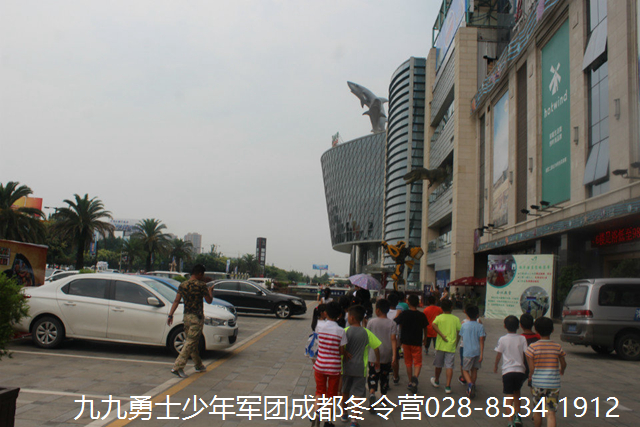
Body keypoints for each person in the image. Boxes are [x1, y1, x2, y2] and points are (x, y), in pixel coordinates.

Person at [168, 264, 213, 378]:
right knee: (190, 342)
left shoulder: (183, 284)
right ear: (199, 273)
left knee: (193, 342)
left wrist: (170, 315)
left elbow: (176, 300)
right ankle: (178, 367)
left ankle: (198, 365)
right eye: (202, 274)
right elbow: (209, 300)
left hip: (186, 317)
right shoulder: (201, 285)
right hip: (196, 318)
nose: (203, 277)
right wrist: (210, 291)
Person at [342, 305, 380, 427]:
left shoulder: (345, 331)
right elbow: (376, 347)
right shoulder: (366, 332)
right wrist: (377, 360)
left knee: (345, 391)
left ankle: (344, 414)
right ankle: (354, 420)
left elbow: (340, 347)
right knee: (358, 393)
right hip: (360, 368)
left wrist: (344, 353)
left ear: (352, 318)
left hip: (346, 367)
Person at [526, 317, 567, 427]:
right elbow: (563, 363)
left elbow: (532, 368)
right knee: (551, 412)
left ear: (536, 330)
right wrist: (562, 370)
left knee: (537, 410)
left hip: (537, 383)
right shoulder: (557, 347)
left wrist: (531, 375)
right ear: (552, 330)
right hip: (553, 384)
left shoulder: (532, 347)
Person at [313, 301, 348, 427]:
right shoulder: (341, 331)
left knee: (319, 391)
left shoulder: (319, 327)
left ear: (326, 313)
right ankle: (328, 421)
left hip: (320, 365)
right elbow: (341, 351)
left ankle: (316, 412)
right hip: (334, 367)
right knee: (332, 394)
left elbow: (318, 342)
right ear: (340, 315)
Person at [494, 315, 528, 427]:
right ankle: (517, 416)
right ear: (518, 326)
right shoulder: (522, 338)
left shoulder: (502, 339)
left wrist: (496, 365)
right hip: (520, 370)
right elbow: (526, 353)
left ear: (505, 326)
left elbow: (499, 355)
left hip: (507, 371)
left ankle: (510, 421)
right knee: (517, 393)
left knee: (509, 396)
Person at [366, 299, 397, 409]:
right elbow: (393, 339)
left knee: (373, 375)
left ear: (378, 310)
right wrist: (394, 355)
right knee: (384, 376)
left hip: (373, 355)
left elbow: (367, 337)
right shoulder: (392, 323)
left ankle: (372, 393)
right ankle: (383, 397)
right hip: (386, 355)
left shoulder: (371, 322)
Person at [394, 294, 428, 393]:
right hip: (417, 341)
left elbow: (396, 321)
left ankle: (410, 381)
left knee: (408, 362)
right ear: (418, 303)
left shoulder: (404, 314)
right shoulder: (421, 315)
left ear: (408, 303)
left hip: (406, 341)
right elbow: (425, 327)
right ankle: (415, 378)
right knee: (418, 362)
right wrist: (425, 338)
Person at [430, 299, 461, 394]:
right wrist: (456, 342)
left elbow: (433, 324)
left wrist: (441, 335)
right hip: (451, 345)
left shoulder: (439, 317)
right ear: (451, 307)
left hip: (440, 345)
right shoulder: (456, 319)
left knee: (438, 365)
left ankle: (436, 380)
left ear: (441, 308)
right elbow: (459, 331)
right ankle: (448, 386)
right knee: (449, 366)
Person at [458, 305, 485, 398]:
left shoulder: (464, 325)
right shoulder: (480, 326)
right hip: (477, 351)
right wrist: (481, 353)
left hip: (467, 351)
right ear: (477, 315)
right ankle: (472, 384)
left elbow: (461, 336)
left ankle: (470, 384)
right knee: (474, 370)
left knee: (465, 370)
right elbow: (482, 340)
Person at [520, 313, 541, 387]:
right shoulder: (538, 337)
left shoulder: (519, 338)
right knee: (533, 388)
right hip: (535, 366)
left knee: (516, 389)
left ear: (520, 325)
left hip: (522, 366)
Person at [386, 293, 401, 383]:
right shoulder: (399, 312)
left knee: (386, 359)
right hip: (395, 338)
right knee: (396, 358)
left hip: (386, 338)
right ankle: (395, 376)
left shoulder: (385, 312)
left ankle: (386, 375)